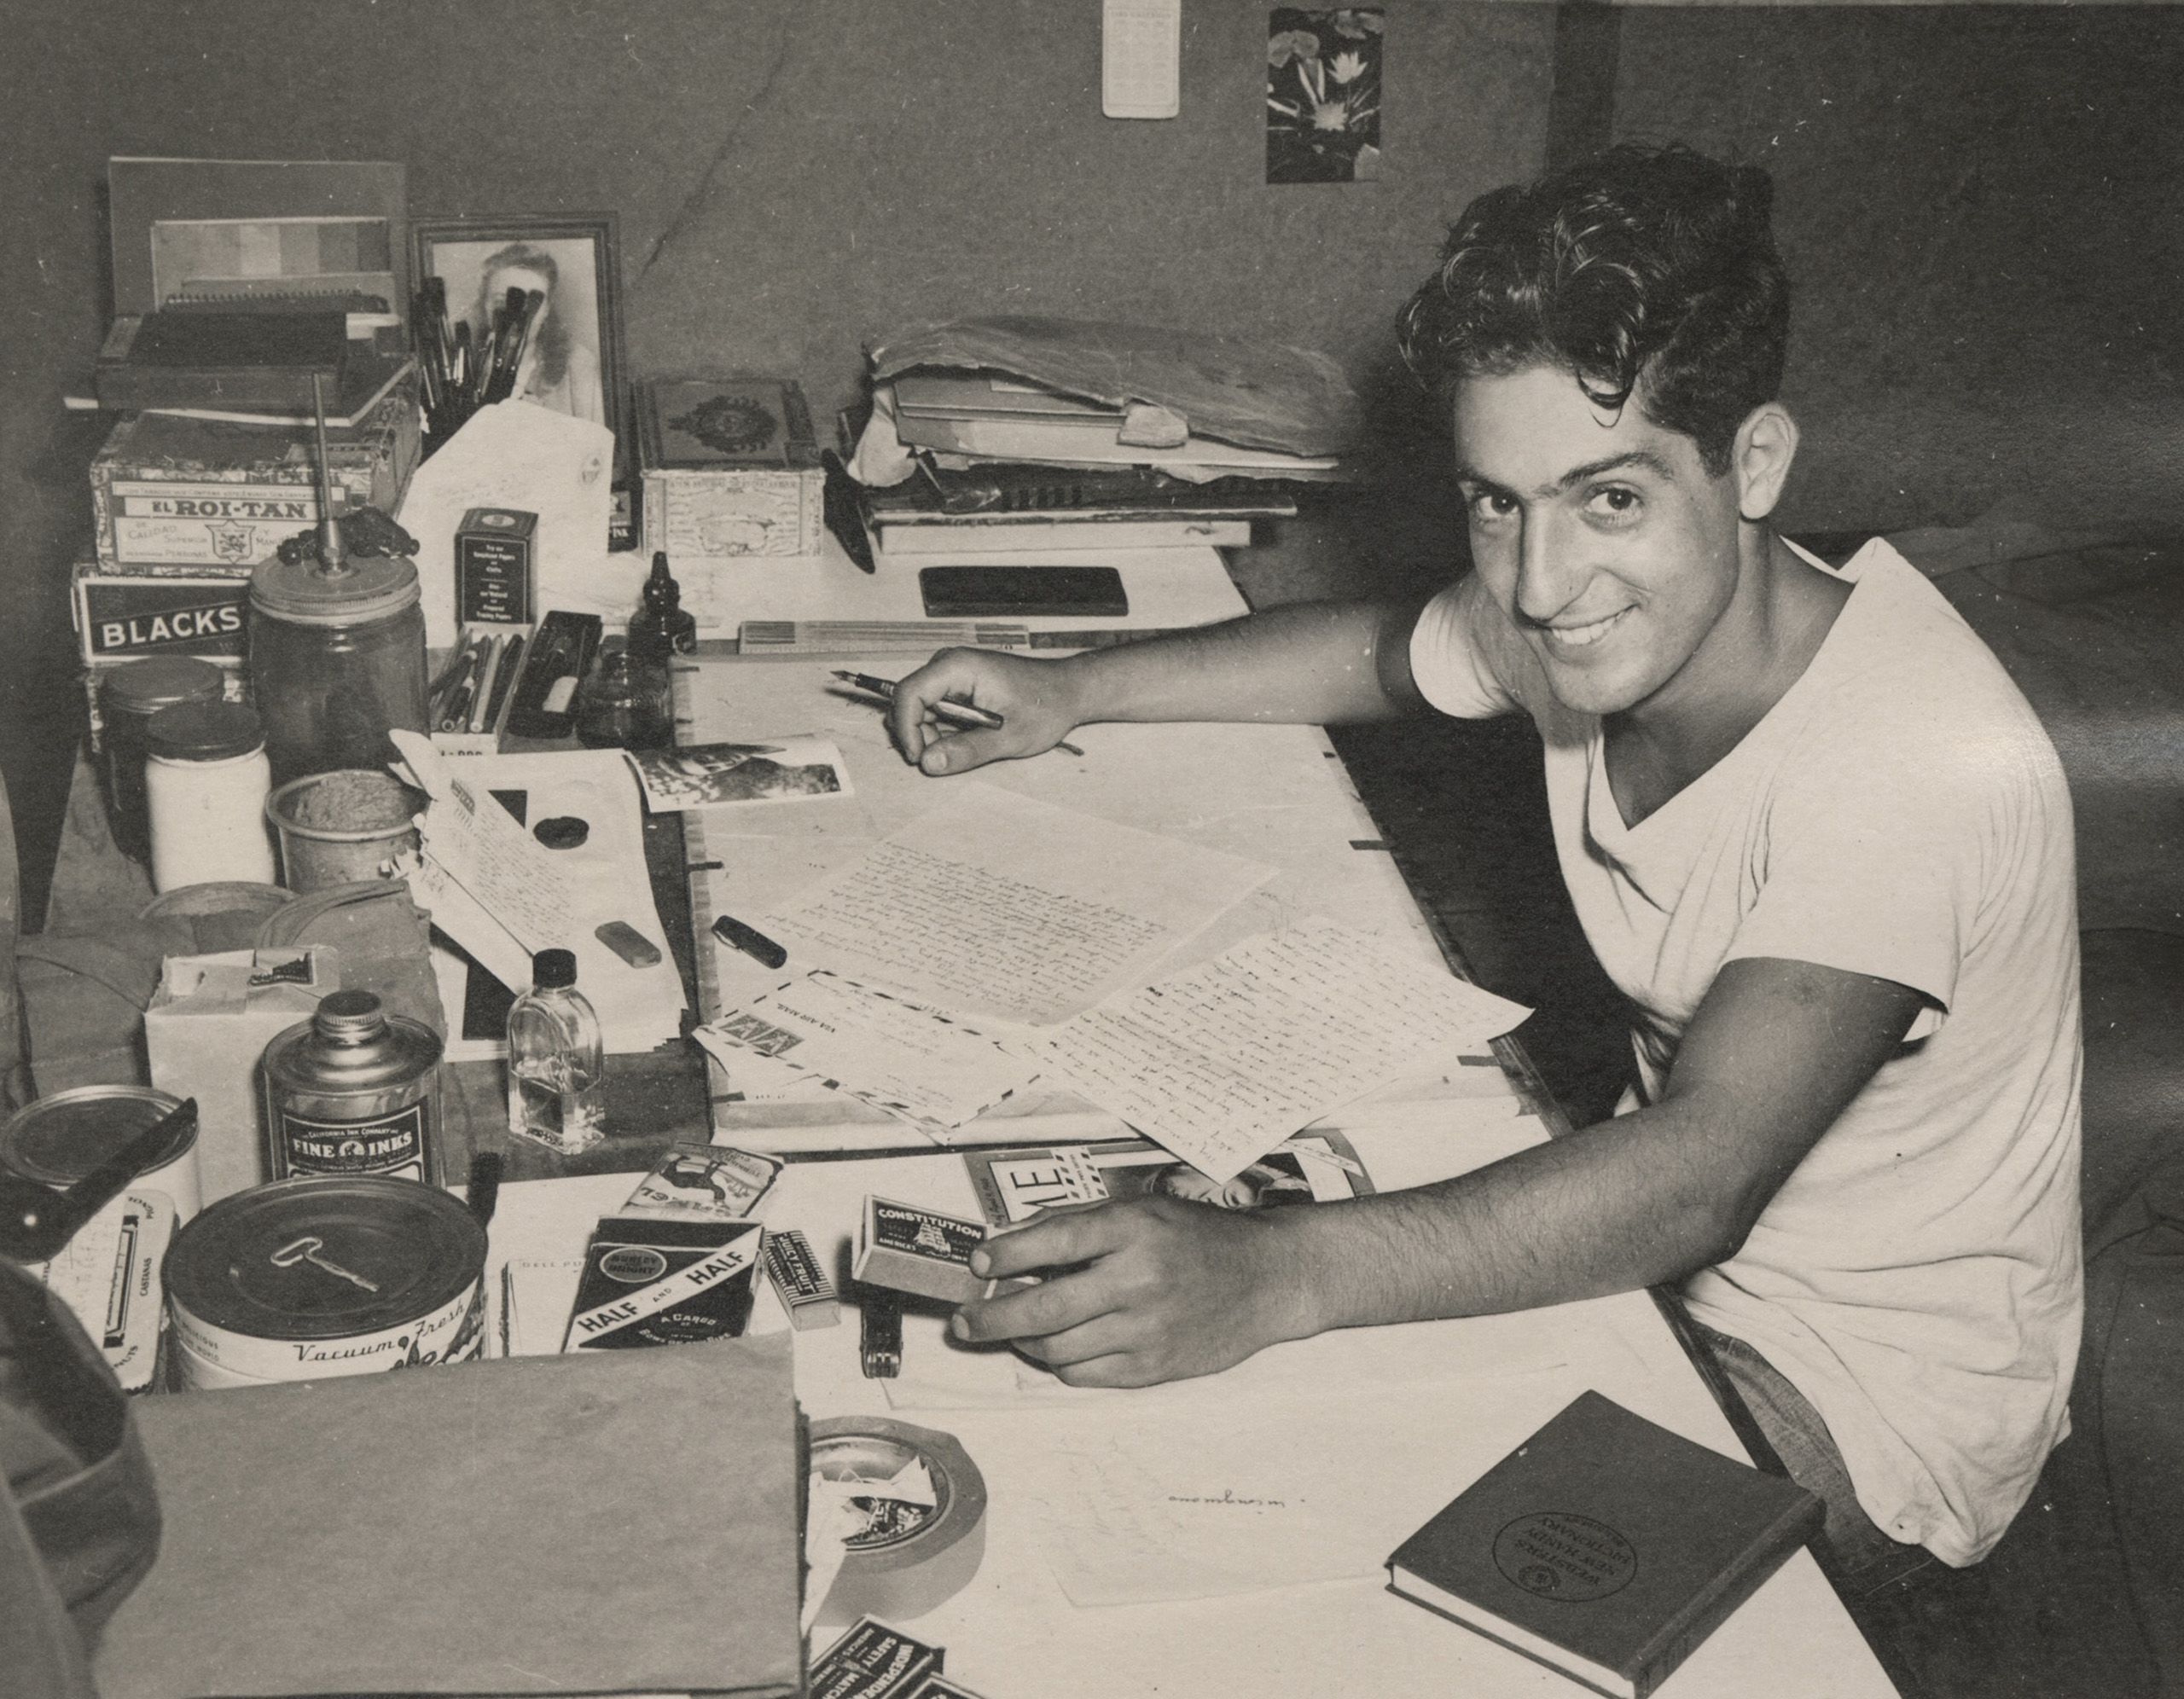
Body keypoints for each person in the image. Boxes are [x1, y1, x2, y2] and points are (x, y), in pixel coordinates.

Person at [887, 144, 2082, 1586]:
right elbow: (1378, 651)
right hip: (1656, 1255)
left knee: (1308, 1561)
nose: (1537, 582)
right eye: (1496, 501)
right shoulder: (1595, 603)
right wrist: (1075, 687)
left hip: (1862, 1397)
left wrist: (1280, 1272)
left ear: (1755, 463)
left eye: (1608, 500)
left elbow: (1699, 1174)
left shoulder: (1908, 759)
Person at [471, 241, 606, 425]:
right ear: (484, 304)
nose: (517, 315)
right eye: (503, 302)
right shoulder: (465, 367)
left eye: (529, 304)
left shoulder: (578, 365)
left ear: (546, 310)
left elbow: (596, 448)